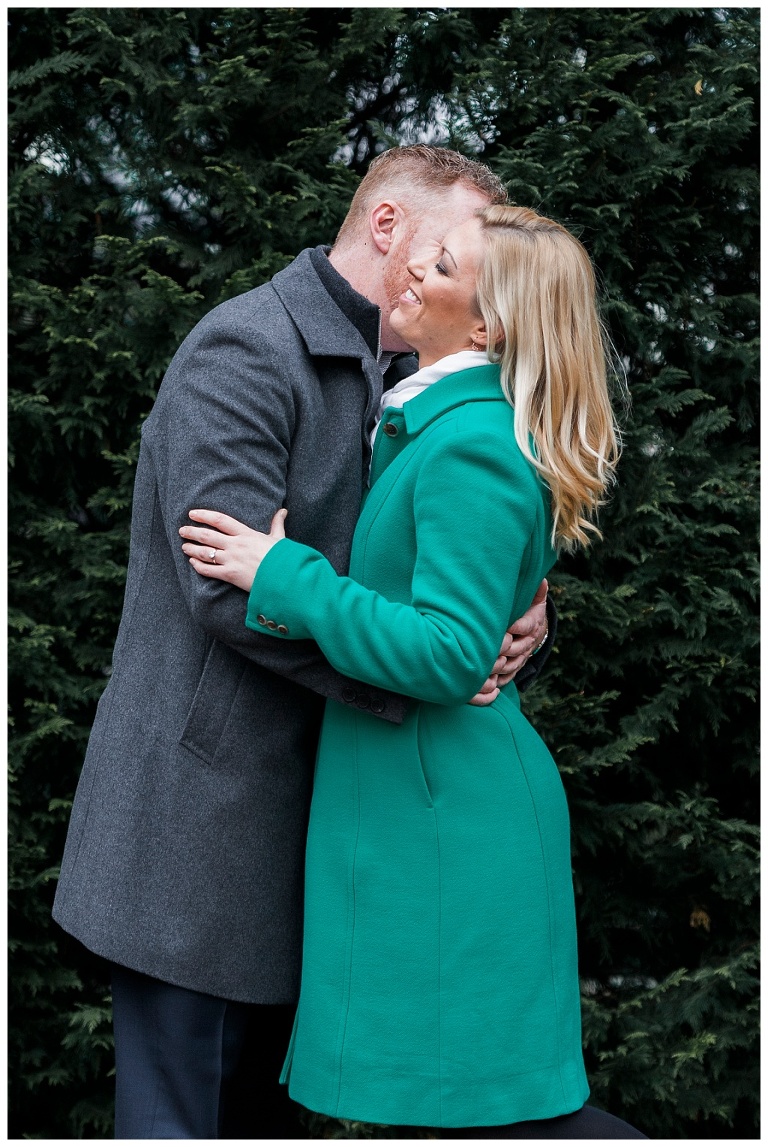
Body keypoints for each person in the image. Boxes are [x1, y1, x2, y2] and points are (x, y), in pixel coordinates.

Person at [51, 147, 554, 1140]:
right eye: (450, 244)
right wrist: (429, 668)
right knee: (183, 1117)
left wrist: (521, 614)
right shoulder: (243, 350)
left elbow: (448, 557)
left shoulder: (420, 379)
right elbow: (221, 589)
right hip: (204, 828)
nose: (451, 266)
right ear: (386, 230)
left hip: (330, 831)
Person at [179, 204, 646, 1138]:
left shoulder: (471, 445)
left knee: (483, 1110)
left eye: (438, 265)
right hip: (417, 812)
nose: (407, 271)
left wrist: (286, 575)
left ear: (487, 326)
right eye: (420, 252)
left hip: (449, 830)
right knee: (440, 1107)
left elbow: (445, 651)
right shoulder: (433, 421)